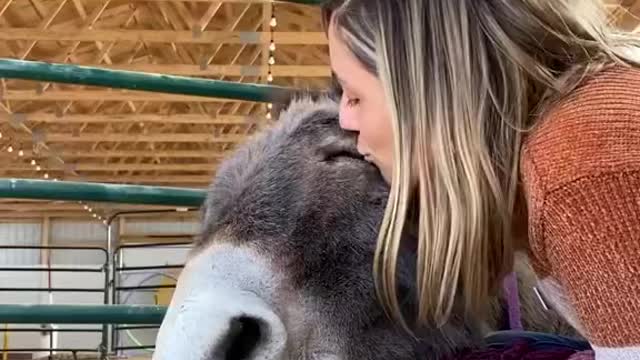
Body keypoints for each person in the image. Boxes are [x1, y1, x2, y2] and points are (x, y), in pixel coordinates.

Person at [320, 1, 640, 359]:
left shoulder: (580, 166)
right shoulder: (556, 154)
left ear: (427, 91)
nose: (345, 120)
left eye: (354, 95)